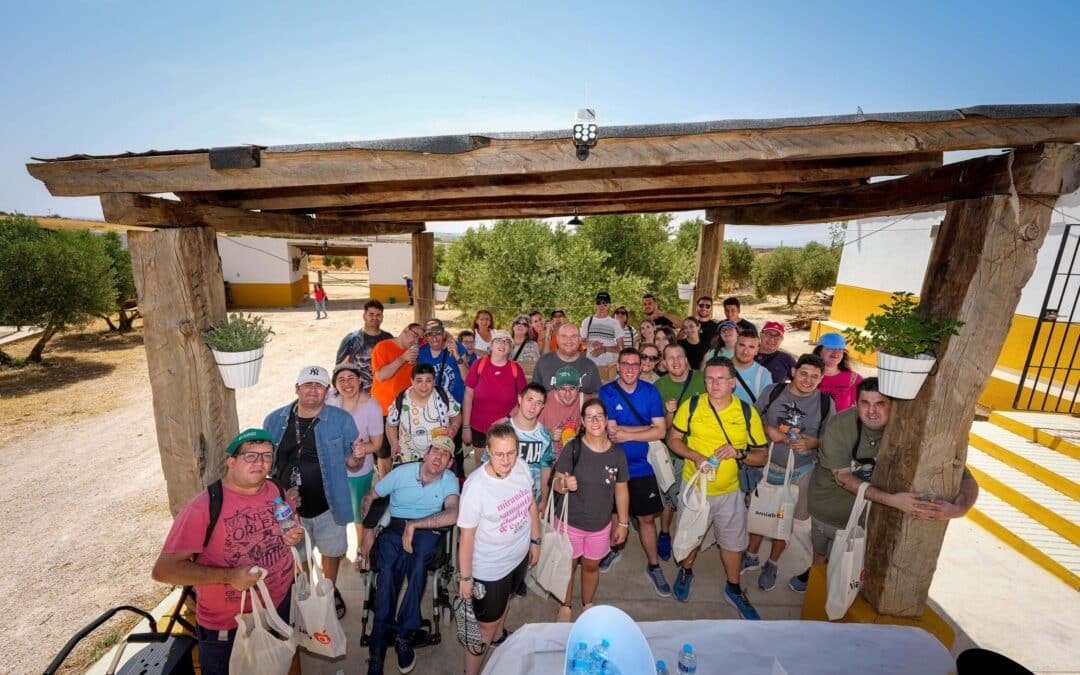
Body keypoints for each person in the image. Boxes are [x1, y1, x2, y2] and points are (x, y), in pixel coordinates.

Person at [795, 377, 979, 593]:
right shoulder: (841, 424)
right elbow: (843, 478)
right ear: (856, 404)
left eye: (880, 403)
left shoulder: (909, 429)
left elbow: (965, 477)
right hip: (831, 512)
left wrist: (959, 509)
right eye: (865, 403)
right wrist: (893, 500)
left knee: (854, 568)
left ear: (892, 405)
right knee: (823, 557)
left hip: (875, 519)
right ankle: (816, 589)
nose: (872, 411)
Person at [151, 429, 305, 675]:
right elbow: (164, 570)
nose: (260, 462)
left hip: (278, 605)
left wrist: (293, 535)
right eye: (250, 456)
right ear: (230, 462)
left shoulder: (276, 489)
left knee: (283, 663)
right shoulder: (204, 506)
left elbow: (289, 527)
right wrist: (229, 576)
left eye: (266, 456)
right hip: (229, 625)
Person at [667, 357, 767, 618]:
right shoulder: (692, 405)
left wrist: (739, 453)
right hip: (695, 487)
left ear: (732, 382)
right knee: (691, 536)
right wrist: (694, 455)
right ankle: (686, 570)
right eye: (709, 378)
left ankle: (734, 587)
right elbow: (674, 439)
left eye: (721, 378)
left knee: (733, 543)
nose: (714, 384)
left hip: (730, 491)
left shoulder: (747, 412)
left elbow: (762, 455)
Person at [265, 365, 359, 619]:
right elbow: (267, 462)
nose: (313, 391)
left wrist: (357, 457)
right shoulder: (274, 420)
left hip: (329, 503)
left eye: (319, 386)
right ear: (297, 388)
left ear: (327, 392)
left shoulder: (342, 420)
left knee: (331, 552)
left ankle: (329, 590)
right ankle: (306, 592)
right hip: (288, 509)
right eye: (307, 385)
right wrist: (279, 492)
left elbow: (353, 461)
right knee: (300, 554)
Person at [360, 438, 459, 675]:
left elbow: (454, 513)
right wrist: (367, 530)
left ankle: (404, 635)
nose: (438, 457)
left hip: (427, 527)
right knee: (386, 577)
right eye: (435, 451)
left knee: (417, 569)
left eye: (445, 455)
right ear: (425, 454)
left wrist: (415, 525)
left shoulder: (449, 480)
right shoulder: (401, 473)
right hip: (395, 527)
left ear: (450, 462)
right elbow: (370, 496)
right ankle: (377, 651)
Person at [742, 354, 834, 591]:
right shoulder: (774, 391)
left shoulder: (825, 402)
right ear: (793, 371)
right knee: (761, 512)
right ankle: (751, 555)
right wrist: (768, 429)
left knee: (785, 518)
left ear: (822, 378)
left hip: (800, 471)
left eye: (815, 376)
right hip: (766, 466)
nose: (808, 380)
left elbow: (830, 438)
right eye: (803, 373)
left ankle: (772, 563)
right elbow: (751, 417)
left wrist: (812, 444)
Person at [457, 424, 541, 675]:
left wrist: (535, 540)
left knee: (507, 600)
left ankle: (498, 636)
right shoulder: (476, 487)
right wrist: (466, 577)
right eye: (499, 454)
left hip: (518, 558)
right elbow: (466, 538)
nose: (507, 460)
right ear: (487, 454)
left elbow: (531, 505)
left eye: (511, 453)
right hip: (490, 569)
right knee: (484, 627)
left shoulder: (522, 468)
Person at [596, 349, 670, 597]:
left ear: (641, 368)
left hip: (643, 467)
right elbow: (611, 431)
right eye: (625, 364)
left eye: (635, 364)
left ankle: (654, 565)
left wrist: (628, 433)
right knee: (615, 514)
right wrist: (642, 428)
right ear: (618, 366)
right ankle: (614, 549)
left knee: (647, 519)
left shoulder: (650, 392)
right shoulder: (607, 393)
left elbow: (660, 431)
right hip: (612, 464)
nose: (630, 368)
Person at [550, 399, 630, 622]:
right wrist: (565, 484)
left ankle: (587, 604)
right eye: (589, 417)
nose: (595, 421)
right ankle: (565, 605)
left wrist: (623, 523)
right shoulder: (573, 448)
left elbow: (621, 491)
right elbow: (556, 483)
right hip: (570, 523)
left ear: (606, 420)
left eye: (599, 416)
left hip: (600, 525)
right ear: (583, 422)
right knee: (569, 566)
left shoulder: (617, 454)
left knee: (591, 565)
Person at [326, 363, 384, 570]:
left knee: (359, 514)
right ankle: (335, 549)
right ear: (335, 385)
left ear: (360, 380)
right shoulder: (330, 400)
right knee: (334, 512)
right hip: (332, 468)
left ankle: (361, 551)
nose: (347, 383)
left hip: (359, 471)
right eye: (341, 380)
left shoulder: (372, 407)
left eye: (351, 378)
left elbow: (376, 444)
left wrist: (361, 450)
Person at [653, 343, 706, 562]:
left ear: (687, 360)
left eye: (679, 357)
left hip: (701, 452)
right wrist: (669, 412)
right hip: (672, 454)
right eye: (670, 358)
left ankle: (686, 540)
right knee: (668, 499)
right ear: (663, 363)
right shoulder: (659, 386)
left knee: (694, 502)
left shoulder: (703, 379)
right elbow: (662, 431)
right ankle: (665, 532)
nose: (675, 362)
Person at [463, 329, 528, 470]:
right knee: (481, 466)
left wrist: (507, 418)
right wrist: (466, 426)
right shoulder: (479, 365)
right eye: (498, 340)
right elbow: (468, 395)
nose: (502, 344)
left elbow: (523, 400)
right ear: (491, 346)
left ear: (511, 348)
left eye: (507, 342)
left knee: (505, 466)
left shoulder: (515, 369)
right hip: (478, 427)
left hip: (505, 428)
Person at [418, 318, 470, 479]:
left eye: (438, 334)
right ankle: (431, 476)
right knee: (432, 445)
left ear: (443, 334)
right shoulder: (422, 352)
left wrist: (457, 356)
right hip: (432, 407)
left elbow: (467, 378)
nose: (434, 339)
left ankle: (457, 478)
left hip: (454, 408)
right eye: (430, 335)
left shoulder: (455, 347)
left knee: (454, 446)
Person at [387, 362, 462, 464]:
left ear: (433, 382)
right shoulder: (401, 399)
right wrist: (394, 443)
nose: (424, 386)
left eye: (428, 381)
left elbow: (456, 415)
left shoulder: (443, 395)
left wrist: (454, 427)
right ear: (412, 381)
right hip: (409, 459)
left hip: (439, 458)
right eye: (419, 381)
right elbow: (391, 424)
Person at [501, 383, 555, 508]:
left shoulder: (544, 436)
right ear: (520, 399)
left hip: (532, 503)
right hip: (503, 501)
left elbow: (545, 470)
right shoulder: (503, 431)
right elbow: (487, 466)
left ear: (542, 407)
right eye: (529, 400)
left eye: (538, 403)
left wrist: (544, 500)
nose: (533, 407)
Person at [335, 299, 393, 394]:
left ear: (382, 317)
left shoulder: (388, 339)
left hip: (382, 393)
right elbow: (338, 369)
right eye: (371, 314)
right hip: (356, 394)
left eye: (378, 315)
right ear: (364, 316)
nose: (375, 318)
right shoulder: (351, 339)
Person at [533, 322, 602, 395]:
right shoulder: (543, 362)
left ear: (579, 339)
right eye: (564, 336)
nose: (569, 340)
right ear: (557, 338)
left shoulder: (589, 366)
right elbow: (534, 393)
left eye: (574, 336)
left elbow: (597, 396)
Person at [539, 365, 585, 460]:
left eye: (572, 388)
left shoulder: (585, 401)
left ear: (579, 388)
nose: (567, 394)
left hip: (576, 462)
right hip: (551, 462)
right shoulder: (543, 403)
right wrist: (549, 435)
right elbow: (529, 436)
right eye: (563, 389)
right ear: (556, 388)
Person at [814, 332, 863, 412]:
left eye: (840, 349)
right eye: (830, 348)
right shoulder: (807, 375)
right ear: (819, 351)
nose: (836, 353)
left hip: (840, 424)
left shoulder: (854, 379)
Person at [582, 291, 624, 382]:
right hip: (591, 367)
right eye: (598, 302)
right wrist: (591, 343)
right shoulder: (587, 321)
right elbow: (581, 344)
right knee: (592, 395)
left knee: (608, 395)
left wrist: (604, 349)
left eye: (604, 303)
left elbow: (621, 348)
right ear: (595, 304)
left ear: (609, 305)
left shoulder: (615, 323)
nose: (601, 306)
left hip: (609, 367)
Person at [756, 321, 797, 385]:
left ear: (782, 339)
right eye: (768, 334)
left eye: (777, 336)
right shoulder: (748, 353)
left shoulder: (787, 360)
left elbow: (798, 381)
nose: (772, 339)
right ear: (761, 334)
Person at [508, 313, 542, 380]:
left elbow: (537, 367)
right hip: (507, 382)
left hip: (525, 383)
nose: (520, 325)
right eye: (517, 323)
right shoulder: (505, 344)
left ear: (528, 329)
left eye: (524, 324)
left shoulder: (533, 345)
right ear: (513, 326)